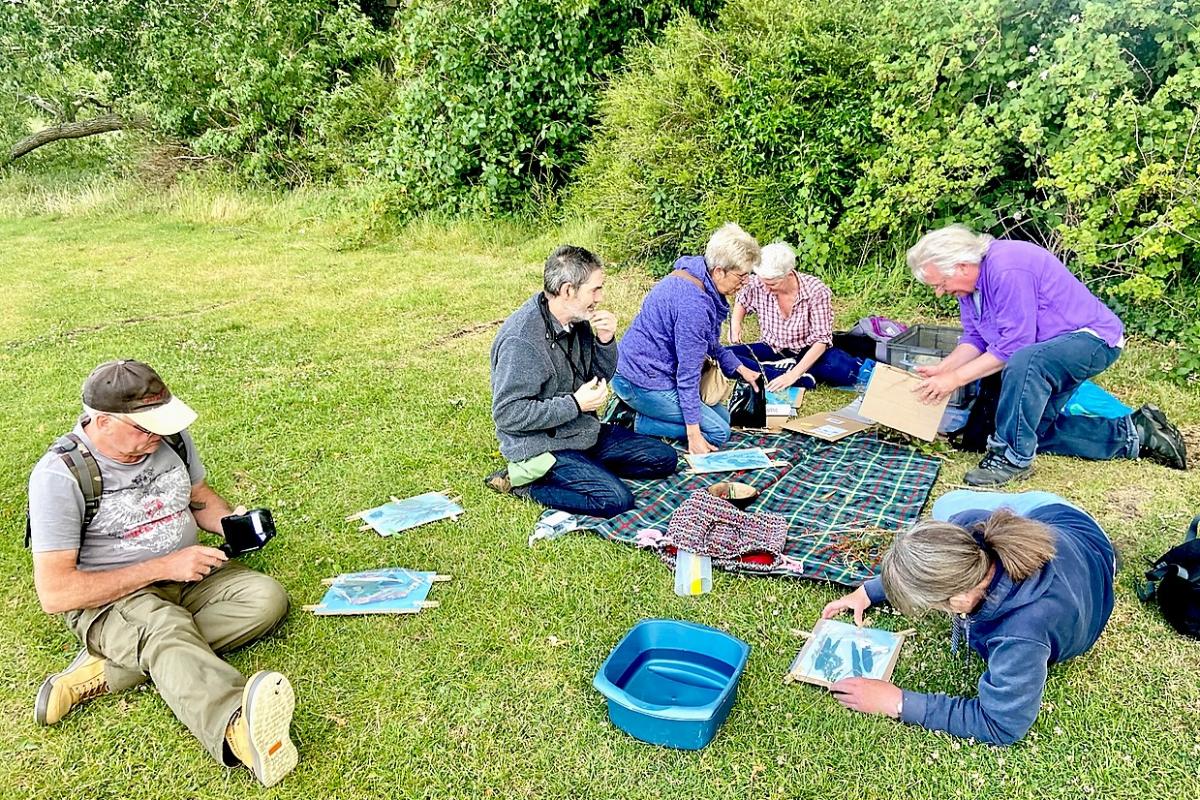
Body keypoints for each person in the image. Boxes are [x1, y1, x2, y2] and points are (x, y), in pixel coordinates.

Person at [28, 360, 297, 787]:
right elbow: (56, 593)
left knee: (266, 599)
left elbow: (198, 496)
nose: (156, 436)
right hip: (112, 599)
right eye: (144, 428)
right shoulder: (60, 476)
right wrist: (164, 566)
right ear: (103, 421)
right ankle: (238, 730)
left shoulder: (168, 438)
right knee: (165, 628)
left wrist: (232, 523)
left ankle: (106, 669)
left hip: (188, 575)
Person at [821, 489, 1116, 746]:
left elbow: (1002, 726)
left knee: (947, 505)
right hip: (1059, 523)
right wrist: (868, 592)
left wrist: (898, 702)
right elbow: (933, 565)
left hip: (1089, 541)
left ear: (958, 599)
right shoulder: (967, 534)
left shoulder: (1022, 633)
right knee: (945, 503)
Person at [907, 224, 1187, 486]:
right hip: (1045, 349)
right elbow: (976, 338)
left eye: (940, 284)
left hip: (1092, 340)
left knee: (1025, 363)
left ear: (962, 266)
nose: (940, 293)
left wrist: (955, 379)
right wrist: (945, 369)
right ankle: (1136, 433)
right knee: (1017, 431)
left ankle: (1012, 460)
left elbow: (1015, 346)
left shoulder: (1007, 266)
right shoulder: (969, 290)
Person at [488, 245, 678, 517]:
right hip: (543, 445)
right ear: (568, 290)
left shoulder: (577, 320)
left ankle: (586, 469)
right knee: (615, 500)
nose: (600, 297)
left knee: (664, 459)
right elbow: (508, 414)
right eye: (595, 290)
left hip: (581, 431)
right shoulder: (521, 341)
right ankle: (524, 484)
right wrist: (575, 404)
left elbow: (598, 376)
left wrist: (606, 341)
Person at [612, 223, 763, 454]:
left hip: (658, 373)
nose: (744, 284)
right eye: (741, 277)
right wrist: (694, 434)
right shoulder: (693, 306)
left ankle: (646, 413)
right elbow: (688, 374)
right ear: (719, 271)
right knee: (719, 432)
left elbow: (708, 343)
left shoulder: (697, 274)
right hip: (641, 381)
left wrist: (740, 368)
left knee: (724, 418)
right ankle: (630, 419)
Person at [727, 241, 864, 391]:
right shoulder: (758, 283)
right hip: (772, 347)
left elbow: (821, 341)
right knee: (725, 356)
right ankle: (795, 377)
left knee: (843, 370)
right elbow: (742, 300)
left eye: (772, 285)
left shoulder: (816, 291)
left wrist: (792, 375)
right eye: (763, 282)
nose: (765, 288)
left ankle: (784, 372)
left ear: (789, 274)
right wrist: (735, 324)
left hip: (807, 350)